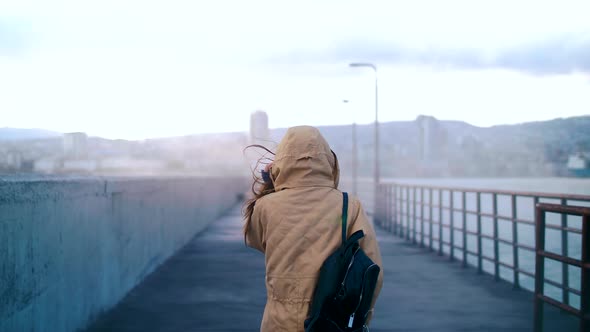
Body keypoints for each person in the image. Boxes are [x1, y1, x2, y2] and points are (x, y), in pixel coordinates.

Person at [243, 125, 383, 332]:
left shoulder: (266, 206)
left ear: (281, 161)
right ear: (328, 160)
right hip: (331, 322)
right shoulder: (348, 205)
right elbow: (373, 271)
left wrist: (269, 184)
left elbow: (255, 240)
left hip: (278, 323)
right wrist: (362, 319)